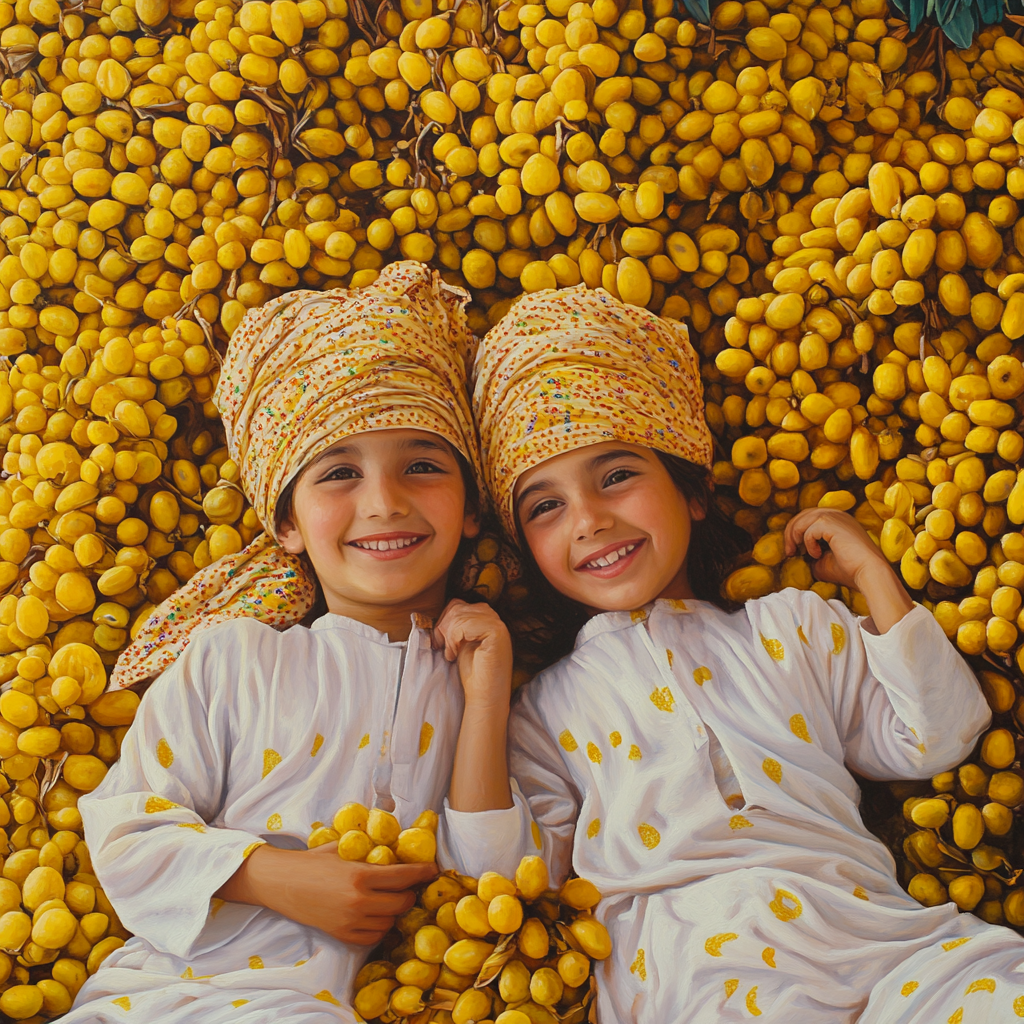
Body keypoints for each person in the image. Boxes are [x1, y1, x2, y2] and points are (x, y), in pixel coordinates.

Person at [442, 285, 1024, 1023]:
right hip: (700, 979)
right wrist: (487, 694)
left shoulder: (794, 626)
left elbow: (939, 732)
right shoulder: (542, 710)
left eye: (618, 475)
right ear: (526, 547)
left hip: (881, 950)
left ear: (691, 490)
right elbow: (495, 875)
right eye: (545, 506)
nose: (589, 519)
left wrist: (874, 576)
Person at [61, 262, 513, 1023]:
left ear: (472, 506)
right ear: (287, 527)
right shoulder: (231, 657)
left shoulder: (490, 685)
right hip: (155, 1002)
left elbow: (496, 887)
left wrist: (490, 695)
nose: (385, 502)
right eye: (339, 473)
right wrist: (270, 875)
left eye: (424, 465)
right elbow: (125, 827)